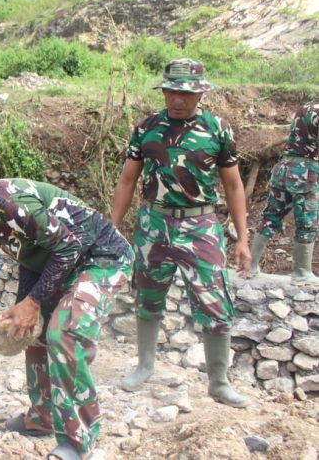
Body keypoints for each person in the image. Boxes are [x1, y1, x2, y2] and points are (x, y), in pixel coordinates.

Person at [0, 173, 133, 460]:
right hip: (66, 263)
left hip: (102, 259)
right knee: (32, 334)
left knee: (63, 332)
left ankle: (78, 438)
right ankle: (43, 416)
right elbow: (32, 256)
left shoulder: (9, 202)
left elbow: (68, 247)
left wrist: (32, 303)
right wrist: (23, 305)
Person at [111, 59, 251, 409]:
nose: (177, 99)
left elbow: (233, 186)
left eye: (186, 93)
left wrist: (243, 238)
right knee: (147, 297)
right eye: (171, 91)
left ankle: (219, 383)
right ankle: (144, 365)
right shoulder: (147, 128)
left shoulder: (217, 128)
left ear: (201, 92)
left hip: (200, 226)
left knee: (215, 304)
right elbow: (128, 179)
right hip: (153, 224)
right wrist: (112, 228)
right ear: (163, 90)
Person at [250, 99, 319, 285]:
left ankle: (250, 266)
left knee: (270, 216)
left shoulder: (306, 106)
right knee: (307, 222)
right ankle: (302, 272)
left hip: (284, 167)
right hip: (306, 172)